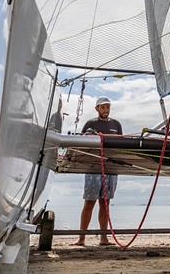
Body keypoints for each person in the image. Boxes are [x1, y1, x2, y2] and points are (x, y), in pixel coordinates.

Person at [73, 96, 122, 246]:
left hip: (111, 169)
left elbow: (121, 144)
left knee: (105, 203)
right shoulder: (91, 123)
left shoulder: (116, 124)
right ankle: (81, 238)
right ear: (97, 109)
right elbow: (81, 142)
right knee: (89, 202)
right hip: (93, 168)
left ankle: (104, 238)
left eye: (107, 107)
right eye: (102, 107)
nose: (105, 109)